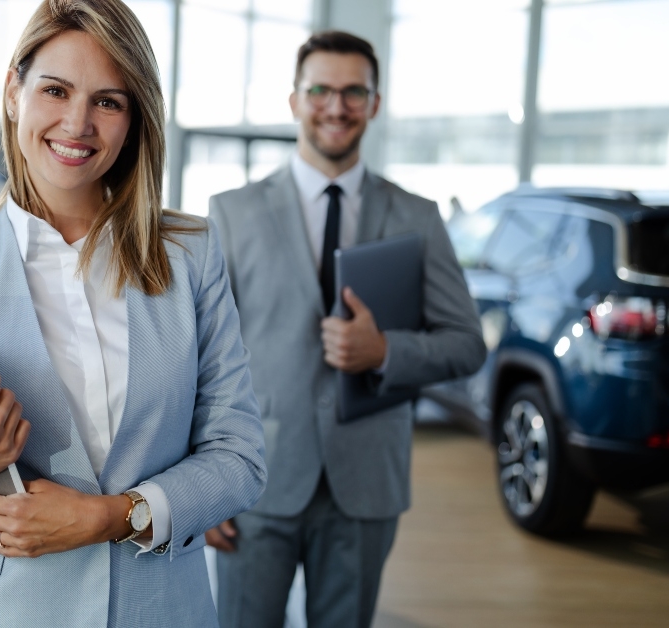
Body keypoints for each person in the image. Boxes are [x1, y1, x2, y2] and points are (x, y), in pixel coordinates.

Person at [0, 1, 267, 626]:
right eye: (55, 90)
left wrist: (111, 516)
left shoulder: (190, 256)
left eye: (108, 100)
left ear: (134, 120)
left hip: (154, 609)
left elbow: (239, 456)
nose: (78, 124)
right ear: (13, 93)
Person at [206, 31, 485, 628]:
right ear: (294, 100)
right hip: (256, 479)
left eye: (354, 92)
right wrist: (200, 485)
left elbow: (467, 344)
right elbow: (198, 358)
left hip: (366, 481)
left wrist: (386, 351)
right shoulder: (233, 212)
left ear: (375, 103)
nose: (337, 107)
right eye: (322, 91)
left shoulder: (417, 215)